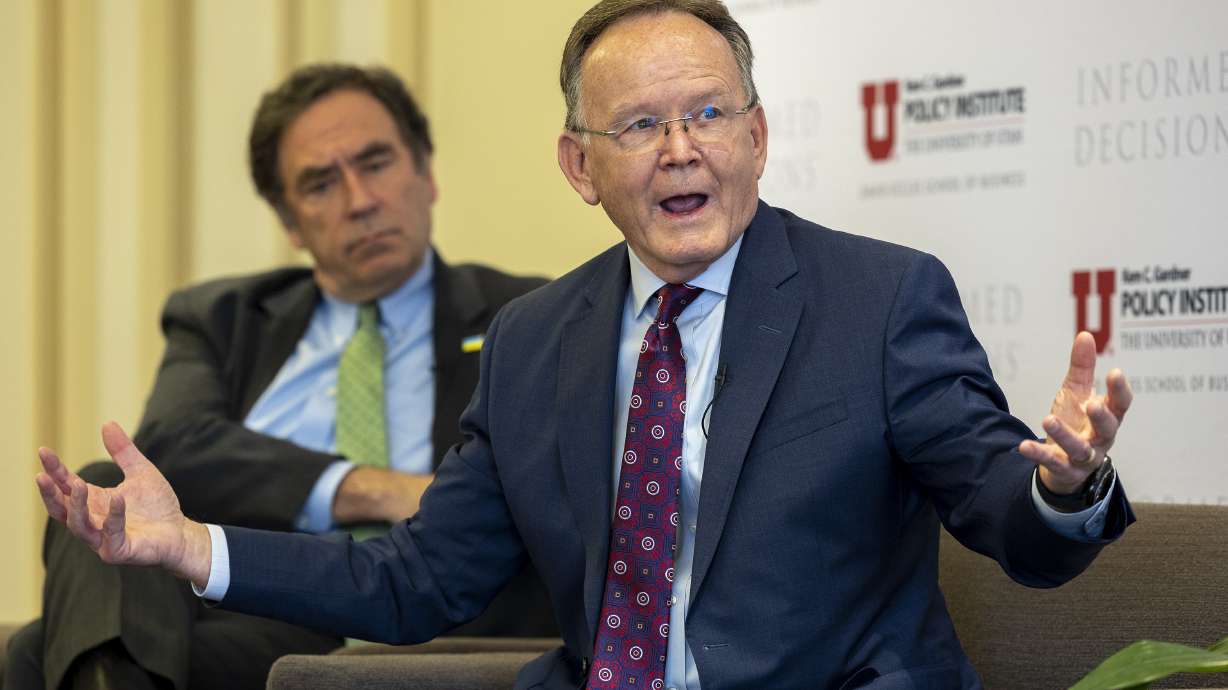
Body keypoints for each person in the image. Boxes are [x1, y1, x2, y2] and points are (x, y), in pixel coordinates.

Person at [33, 3, 1136, 689]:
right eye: (640, 127)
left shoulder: (879, 296)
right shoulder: (529, 342)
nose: (679, 150)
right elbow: (420, 581)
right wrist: (191, 551)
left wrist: (1067, 482)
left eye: (707, 115)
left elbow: (1014, 525)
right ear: (580, 167)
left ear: (756, 138)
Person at [6, 64, 555, 690]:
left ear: (425, 173)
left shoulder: (523, 317)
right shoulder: (227, 319)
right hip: (271, 610)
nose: (360, 201)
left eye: (376, 163)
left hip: (448, 623)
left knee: (41, 653)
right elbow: (175, 443)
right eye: (320, 184)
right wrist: (372, 488)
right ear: (289, 220)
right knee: (109, 489)